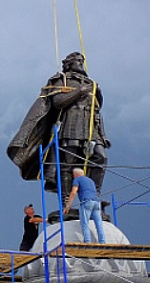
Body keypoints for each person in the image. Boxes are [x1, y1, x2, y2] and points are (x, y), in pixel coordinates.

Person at [7, 52, 110, 207]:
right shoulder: (62, 79)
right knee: (68, 163)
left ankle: (93, 197)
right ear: (69, 64)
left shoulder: (92, 84)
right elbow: (58, 102)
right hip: (72, 124)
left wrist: (102, 134)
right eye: (77, 61)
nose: (81, 63)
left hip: (90, 126)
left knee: (100, 157)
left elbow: (96, 111)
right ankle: (66, 203)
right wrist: (79, 91)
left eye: (82, 61)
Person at [65, 167, 106, 244]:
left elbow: (73, 192)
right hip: (96, 202)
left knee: (85, 223)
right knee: (99, 223)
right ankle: (102, 241)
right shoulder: (90, 180)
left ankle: (87, 241)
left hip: (87, 201)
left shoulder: (77, 180)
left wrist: (68, 205)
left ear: (75, 174)